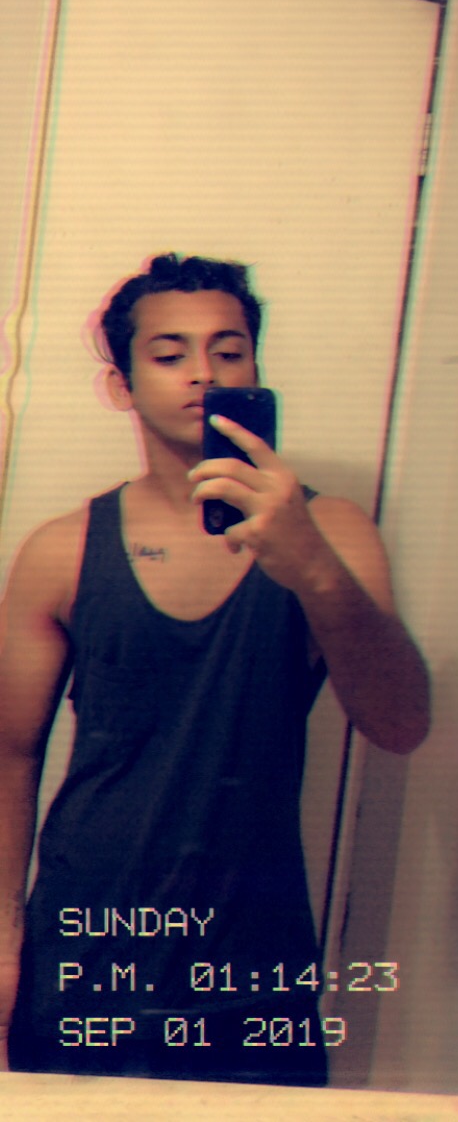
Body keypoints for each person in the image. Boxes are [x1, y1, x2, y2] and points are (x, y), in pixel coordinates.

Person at [0, 253, 431, 1086]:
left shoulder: (333, 533)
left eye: (229, 351)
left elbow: (401, 725)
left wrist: (310, 565)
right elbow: (9, 755)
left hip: (251, 959)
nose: (203, 372)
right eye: (170, 354)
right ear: (121, 386)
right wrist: (3, 941)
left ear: (254, 371)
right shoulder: (62, 551)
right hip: (86, 944)